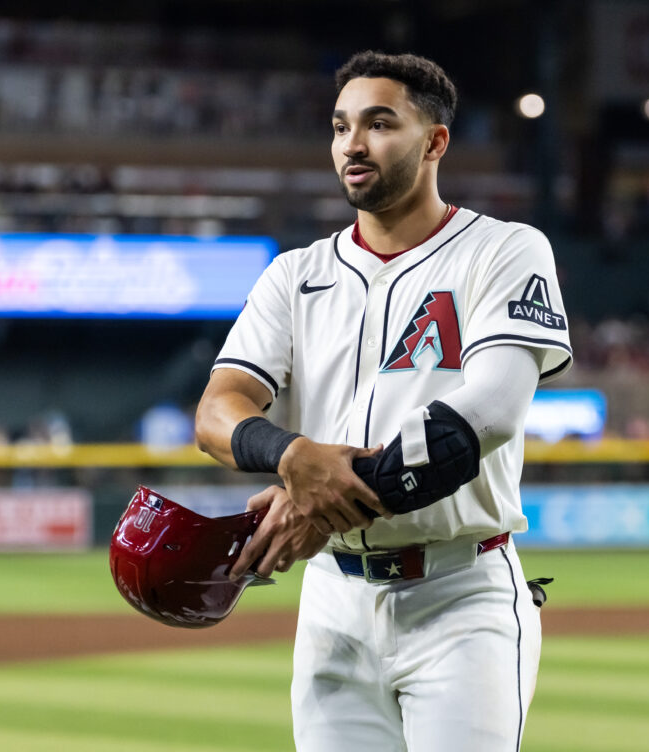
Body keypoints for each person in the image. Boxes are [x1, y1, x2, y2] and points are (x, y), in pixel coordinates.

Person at [195, 50, 572, 752]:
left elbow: (486, 415)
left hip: (461, 595)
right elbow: (218, 411)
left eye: (379, 123)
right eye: (340, 127)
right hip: (333, 601)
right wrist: (294, 456)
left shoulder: (504, 250)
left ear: (435, 142)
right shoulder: (294, 275)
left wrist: (325, 495)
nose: (352, 144)